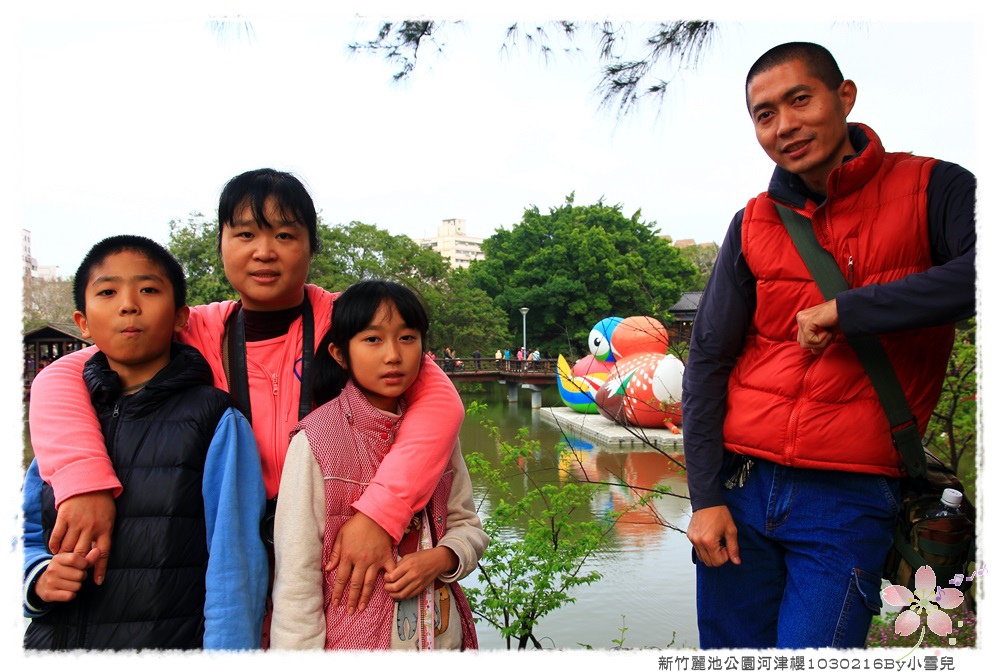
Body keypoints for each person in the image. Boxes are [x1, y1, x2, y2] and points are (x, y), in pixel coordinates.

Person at [25, 169, 465, 642]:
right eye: (245, 234)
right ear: (221, 243)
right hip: (225, 559)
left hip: (337, 554)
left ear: (311, 247)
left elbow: (440, 402)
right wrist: (84, 484)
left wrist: (380, 514)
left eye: (284, 234)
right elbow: (60, 376)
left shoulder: (352, 322)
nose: (264, 251)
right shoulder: (192, 328)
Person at [681, 42, 975, 649]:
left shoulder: (935, 188)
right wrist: (705, 498)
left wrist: (850, 309)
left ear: (844, 97)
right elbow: (708, 361)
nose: (783, 125)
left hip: (848, 494)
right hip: (741, 485)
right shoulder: (753, 221)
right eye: (764, 114)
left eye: (799, 100)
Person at [22, 235, 268, 650]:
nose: (128, 304)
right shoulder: (67, 419)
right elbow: (27, 530)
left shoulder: (214, 418)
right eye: (107, 291)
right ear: (82, 322)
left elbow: (235, 565)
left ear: (179, 318)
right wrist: (36, 576)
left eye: (149, 289)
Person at [271, 280, 486, 650]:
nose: (393, 355)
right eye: (373, 340)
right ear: (340, 354)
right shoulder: (315, 441)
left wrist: (442, 558)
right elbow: (296, 582)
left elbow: (468, 525)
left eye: (407, 338)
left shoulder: (438, 435)